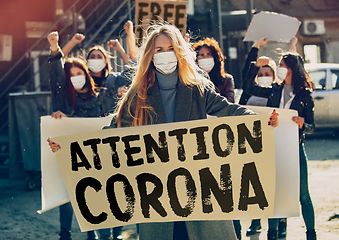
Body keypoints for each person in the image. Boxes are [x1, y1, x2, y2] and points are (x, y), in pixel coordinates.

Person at [102, 23, 279, 240]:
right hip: (157, 191)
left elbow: (229, 110)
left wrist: (260, 121)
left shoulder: (197, 88)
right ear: (150, 55)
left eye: (170, 49)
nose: (165, 55)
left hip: (198, 187)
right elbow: (111, 132)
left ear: (179, 52)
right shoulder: (138, 94)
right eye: (159, 50)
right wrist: (67, 149)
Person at [242, 41, 316, 240]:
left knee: (303, 195)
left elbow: (312, 126)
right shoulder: (273, 90)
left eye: (282, 65)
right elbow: (247, 88)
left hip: (296, 148)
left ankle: (312, 234)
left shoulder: (305, 95)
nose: (279, 68)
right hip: (274, 146)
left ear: (292, 69)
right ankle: (272, 234)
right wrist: (256, 65)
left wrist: (303, 124)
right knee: (274, 193)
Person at [47, 31, 112, 240]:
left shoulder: (100, 96)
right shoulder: (62, 99)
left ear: (86, 73)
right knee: (67, 196)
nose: (77, 77)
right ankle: (64, 234)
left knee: (95, 194)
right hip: (69, 155)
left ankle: (95, 233)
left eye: (80, 72)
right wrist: (55, 46)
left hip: (96, 157)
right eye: (71, 74)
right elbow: (55, 70)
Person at [61, 33, 131, 117]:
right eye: (92, 57)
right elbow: (58, 64)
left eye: (99, 57)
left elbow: (133, 71)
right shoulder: (81, 83)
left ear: (105, 61)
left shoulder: (114, 80)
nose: (96, 59)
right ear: (87, 61)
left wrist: (119, 49)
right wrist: (72, 42)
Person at [192, 37, 235, 103]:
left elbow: (230, 102)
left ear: (215, 57)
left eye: (209, 54)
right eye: (201, 55)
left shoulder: (226, 80)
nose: (205, 58)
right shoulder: (192, 80)